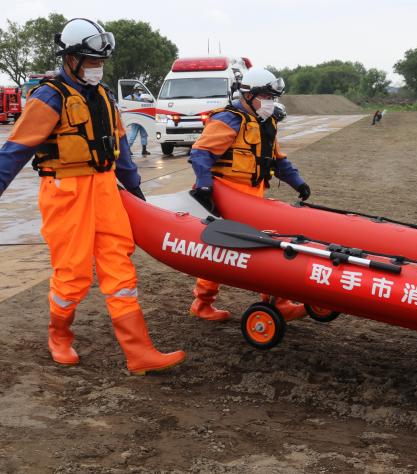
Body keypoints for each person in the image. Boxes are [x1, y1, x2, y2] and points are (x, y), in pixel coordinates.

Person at [0, 18, 185, 375]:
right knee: (73, 272)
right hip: (65, 192)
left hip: (105, 189)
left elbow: (121, 150)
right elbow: (13, 152)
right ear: (70, 59)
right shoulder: (49, 96)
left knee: (119, 264)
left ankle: (139, 352)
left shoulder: (103, 97)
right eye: (90, 61)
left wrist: (135, 190)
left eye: (100, 62)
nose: (97, 68)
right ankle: (59, 336)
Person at [188, 67, 311, 321]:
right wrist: (204, 187)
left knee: (269, 249)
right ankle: (202, 303)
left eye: (273, 98)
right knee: (219, 249)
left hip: (254, 196)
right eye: (266, 96)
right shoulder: (229, 119)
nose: (270, 103)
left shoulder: (267, 123)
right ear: (248, 94)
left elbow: (277, 161)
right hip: (227, 196)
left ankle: (279, 302)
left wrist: (298, 183)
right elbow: (201, 154)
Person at [124, 84, 150, 157]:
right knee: (133, 135)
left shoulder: (144, 98)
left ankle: (144, 150)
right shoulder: (131, 97)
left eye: (140, 90)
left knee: (144, 135)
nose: (139, 92)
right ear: (135, 90)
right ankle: (128, 150)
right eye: (138, 90)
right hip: (135, 119)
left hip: (143, 119)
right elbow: (123, 102)